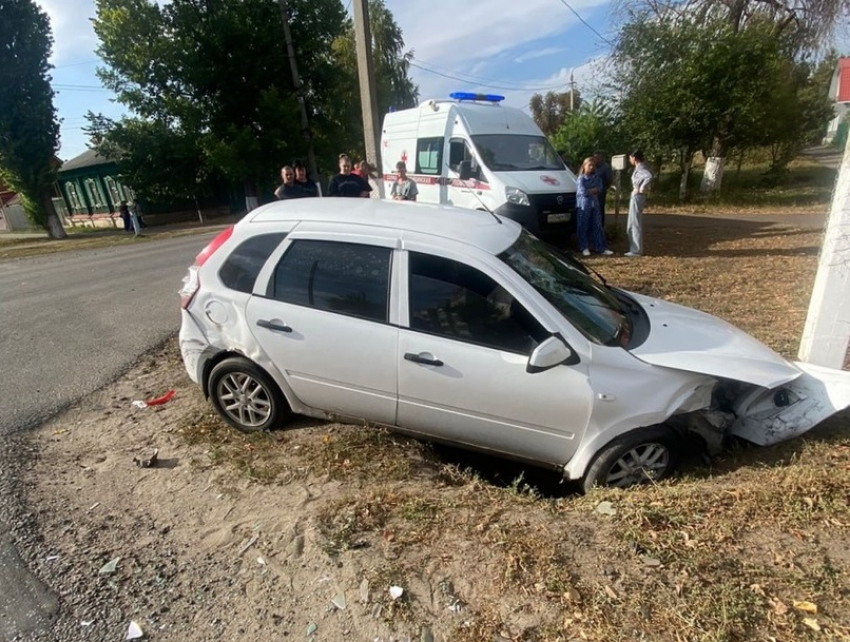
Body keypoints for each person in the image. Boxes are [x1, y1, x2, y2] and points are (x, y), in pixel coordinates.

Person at [575, 157, 612, 257]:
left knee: (597, 225)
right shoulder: (581, 179)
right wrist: (592, 190)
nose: (591, 167)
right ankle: (584, 247)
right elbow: (583, 192)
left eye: (593, 165)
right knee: (583, 225)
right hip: (584, 205)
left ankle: (600, 247)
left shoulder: (597, 178)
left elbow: (600, 188)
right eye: (589, 165)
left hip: (595, 205)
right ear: (584, 166)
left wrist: (592, 190)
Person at [626, 149, 652, 257]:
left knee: (635, 222)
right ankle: (634, 248)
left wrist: (641, 188)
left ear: (634, 158)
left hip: (638, 196)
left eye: (630, 157)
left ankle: (636, 250)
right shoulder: (637, 168)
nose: (629, 160)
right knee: (631, 223)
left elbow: (649, 176)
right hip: (635, 195)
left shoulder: (641, 168)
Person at [593, 151, 612, 227]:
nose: (596, 159)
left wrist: (604, 188)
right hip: (592, 192)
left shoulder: (605, 167)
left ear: (601, 158)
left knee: (600, 209)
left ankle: (601, 226)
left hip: (601, 192)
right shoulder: (592, 166)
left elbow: (609, 179)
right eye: (595, 158)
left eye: (598, 158)